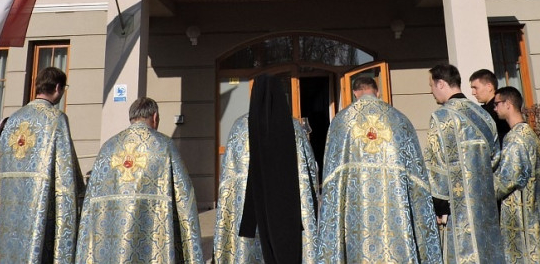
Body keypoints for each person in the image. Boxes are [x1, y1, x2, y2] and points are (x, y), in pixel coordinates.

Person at [316, 76, 441, 263]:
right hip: (395, 218)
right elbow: (418, 179)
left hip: (355, 221)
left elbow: (331, 182)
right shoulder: (399, 120)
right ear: (378, 91)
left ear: (355, 93)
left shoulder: (342, 122)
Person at [0, 66, 84, 264]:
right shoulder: (56, 119)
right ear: (58, 87)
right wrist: (79, 192)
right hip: (40, 203)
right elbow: (65, 166)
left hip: (8, 203)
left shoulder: (14, 119)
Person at [75, 96, 204, 264]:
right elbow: (184, 197)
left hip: (110, 246)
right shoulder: (164, 145)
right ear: (155, 117)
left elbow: (90, 202)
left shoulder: (108, 148)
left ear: (132, 117)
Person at [213, 74, 318, 264]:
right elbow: (310, 168)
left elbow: (228, 175)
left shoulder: (239, 128)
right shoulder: (294, 127)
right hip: (288, 213)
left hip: (249, 213)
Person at [424, 63, 503, 264]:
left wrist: (438, 206)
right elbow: (496, 158)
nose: (431, 91)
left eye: (431, 86)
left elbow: (435, 165)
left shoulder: (441, 118)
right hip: (486, 203)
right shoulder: (484, 115)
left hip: (456, 209)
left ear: (441, 84)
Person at [493, 86, 540, 263]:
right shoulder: (530, 134)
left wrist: (482, 192)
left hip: (519, 212)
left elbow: (506, 180)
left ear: (508, 104)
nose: (494, 108)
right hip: (534, 207)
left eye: (497, 104)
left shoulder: (515, 139)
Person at [469, 69, 511, 146]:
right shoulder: (485, 110)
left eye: (475, 88)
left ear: (489, 87)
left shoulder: (499, 110)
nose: (473, 93)